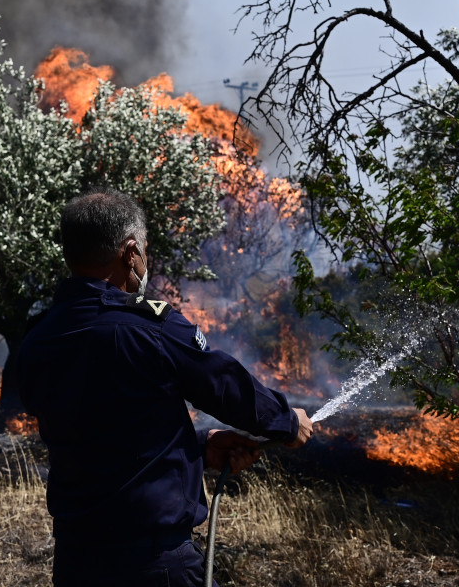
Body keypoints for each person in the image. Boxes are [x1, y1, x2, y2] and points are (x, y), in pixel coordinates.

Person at [17, 187, 313, 587]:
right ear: (131, 252)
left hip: (75, 561)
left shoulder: (37, 339)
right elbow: (222, 382)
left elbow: (101, 431)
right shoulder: (151, 325)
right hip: (153, 563)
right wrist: (286, 422)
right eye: (145, 252)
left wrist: (200, 450)